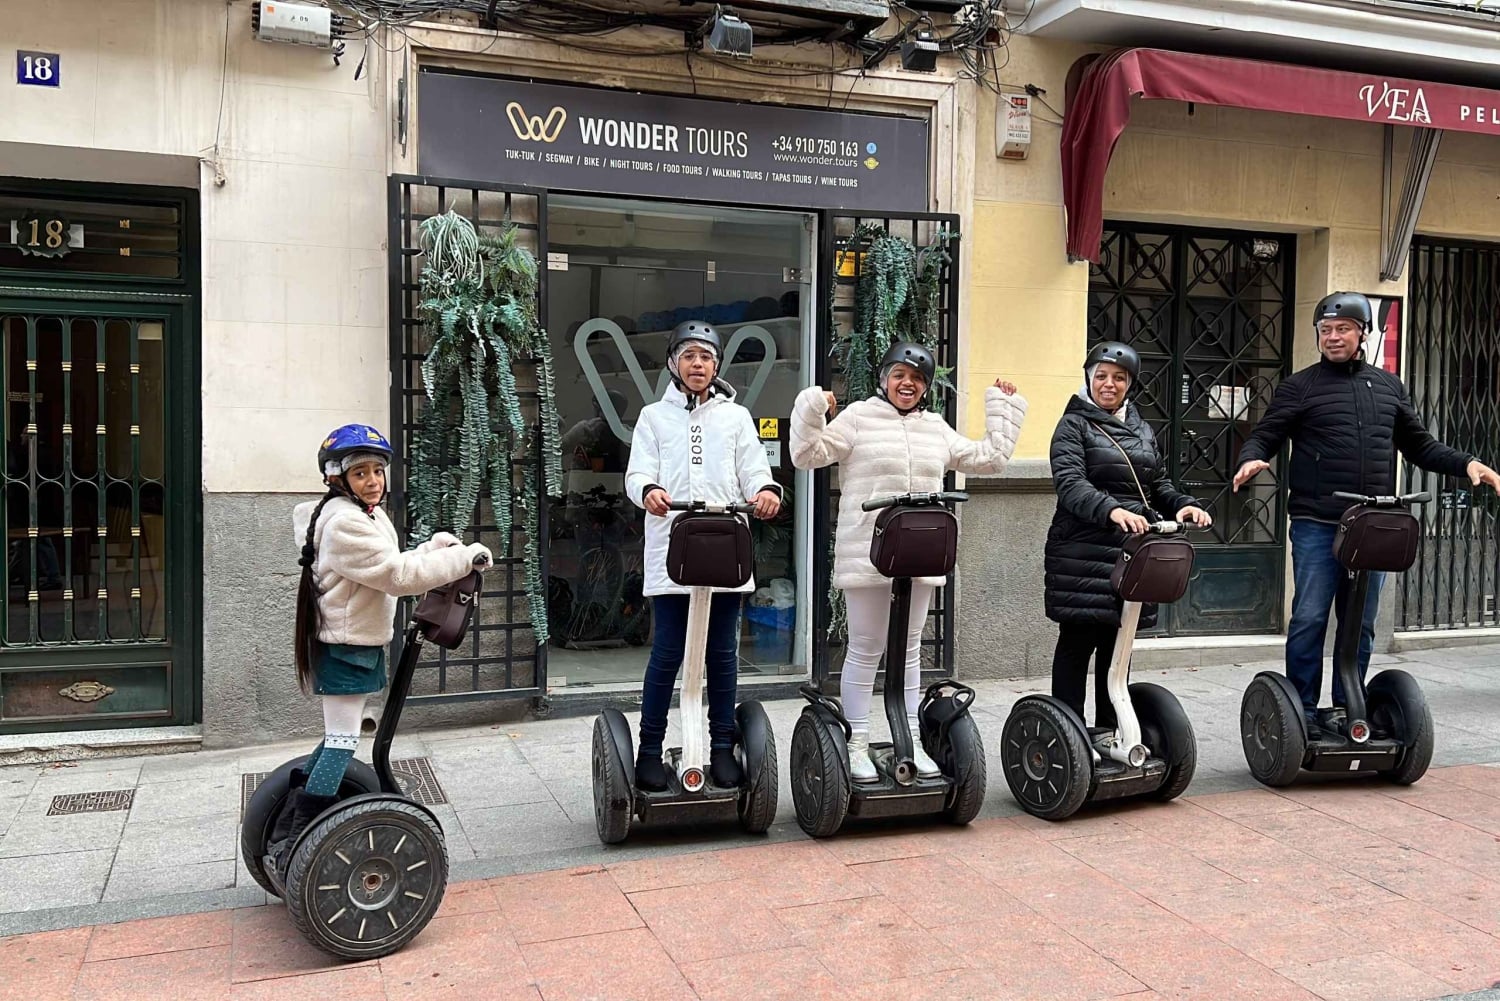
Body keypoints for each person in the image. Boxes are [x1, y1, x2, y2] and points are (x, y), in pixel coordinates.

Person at [1234, 291, 1500, 733]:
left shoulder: (1388, 387)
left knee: (1361, 621)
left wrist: (1466, 463)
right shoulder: (1300, 386)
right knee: (1311, 616)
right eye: (1325, 330)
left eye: (1342, 329)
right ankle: (1300, 711)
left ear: (1362, 333)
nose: (1333, 337)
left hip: (1373, 524)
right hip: (1317, 522)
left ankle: (1347, 704)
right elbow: (1266, 435)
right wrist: (1251, 458)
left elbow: (1420, 446)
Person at [791, 341, 1026, 782]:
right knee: (865, 647)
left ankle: (911, 739)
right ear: (884, 378)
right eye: (900, 374)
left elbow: (988, 459)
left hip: (920, 551)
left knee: (910, 648)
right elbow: (807, 455)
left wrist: (1003, 407)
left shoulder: (935, 427)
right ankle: (857, 740)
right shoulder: (859, 418)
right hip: (869, 553)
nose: (908, 384)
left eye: (917, 379)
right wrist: (811, 406)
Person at [273, 423, 491, 869]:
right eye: (361, 474)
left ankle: (292, 825)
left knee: (338, 737)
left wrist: (432, 549)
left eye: (378, 471)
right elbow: (397, 577)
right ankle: (300, 836)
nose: (373, 480)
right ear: (338, 479)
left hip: (354, 641)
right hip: (346, 647)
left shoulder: (363, 515)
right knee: (341, 741)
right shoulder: (345, 524)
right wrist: (463, 558)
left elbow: (389, 564)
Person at [625, 321, 781, 791]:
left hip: (724, 548)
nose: (699, 364)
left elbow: (754, 468)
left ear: (717, 366)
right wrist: (649, 490)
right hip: (674, 551)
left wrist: (766, 490)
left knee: (722, 654)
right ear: (674, 362)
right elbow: (637, 473)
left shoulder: (735, 417)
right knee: (668, 652)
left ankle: (719, 748)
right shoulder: (653, 417)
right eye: (690, 356)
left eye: (707, 357)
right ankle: (649, 750)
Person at [1045, 342, 1211, 734]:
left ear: (1129, 383)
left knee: (1118, 646)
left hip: (1131, 552)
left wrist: (1183, 504)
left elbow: (1158, 483)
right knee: (1077, 642)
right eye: (1101, 376)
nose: (1109, 384)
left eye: (1118, 378)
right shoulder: (1073, 425)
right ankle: (1068, 735)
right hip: (1083, 551)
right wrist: (1111, 510)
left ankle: (1110, 731)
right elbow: (1070, 484)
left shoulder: (1140, 426)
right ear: (1088, 378)